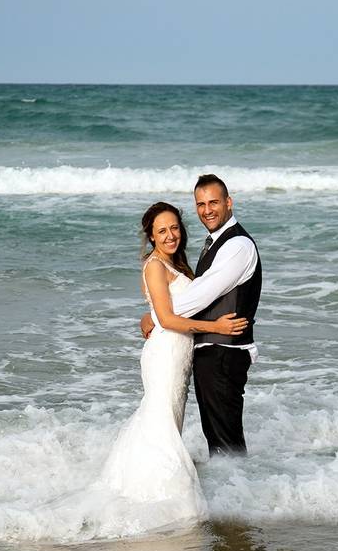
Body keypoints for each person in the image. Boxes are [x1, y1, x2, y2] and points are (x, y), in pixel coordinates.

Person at [90, 201, 247, 531]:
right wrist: (216, 328)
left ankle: (145, 483)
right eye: (162, 230)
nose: (170, 234)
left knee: (167, 417)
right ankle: (161, 496)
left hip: (178, 353)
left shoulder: (176, 264)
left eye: (174, 227)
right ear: (151, 235)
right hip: (165, 352)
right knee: (160, 416)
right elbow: (168, 318)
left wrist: (152, 316)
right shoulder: (155, 266)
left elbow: (165, 310)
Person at [142, 174, 262, 456]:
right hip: (207, 353)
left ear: (228, 203)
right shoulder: (214, 243)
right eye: (200, 204)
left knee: (224, 440)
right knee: (218, 437)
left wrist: (155, 315)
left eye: (214, 202)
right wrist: (156, 314)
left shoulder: (236, 246)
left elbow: (200, 295)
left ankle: (239, 493)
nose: (207, 210)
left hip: (223, 352)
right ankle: (236, 491)